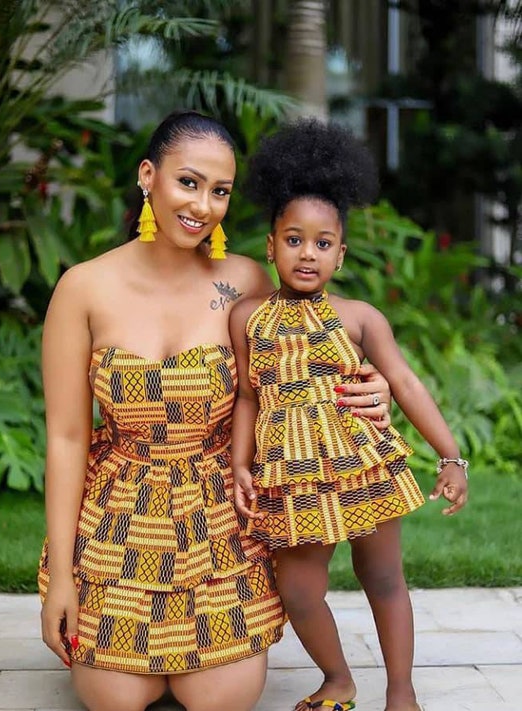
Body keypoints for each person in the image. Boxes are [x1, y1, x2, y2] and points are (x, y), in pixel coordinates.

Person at [38, 110, 394, 711]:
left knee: (220, 698)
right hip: (119, 527)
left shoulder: (246, 281)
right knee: (114, 699)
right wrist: (63, 581)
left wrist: (374, 383)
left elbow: (308, 361)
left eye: (220, 191)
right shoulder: (83, 288)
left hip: (219, 526)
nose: (203, 206)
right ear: (148, 176)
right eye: (189, 182)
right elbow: (68, 439)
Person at [229, 118, 469, 711]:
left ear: (340, 253)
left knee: (382, 577)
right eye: (293, 239)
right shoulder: (247, 318)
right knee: (298, 589)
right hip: (291, 473)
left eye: (322, 243)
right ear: (270, 245)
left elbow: (405, 383)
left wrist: (450, 456)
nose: (307, 253)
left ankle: (402, 692)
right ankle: (338, 678)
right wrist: (240, 463)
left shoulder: (360, 317)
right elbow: (248, 396)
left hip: (361, 463)